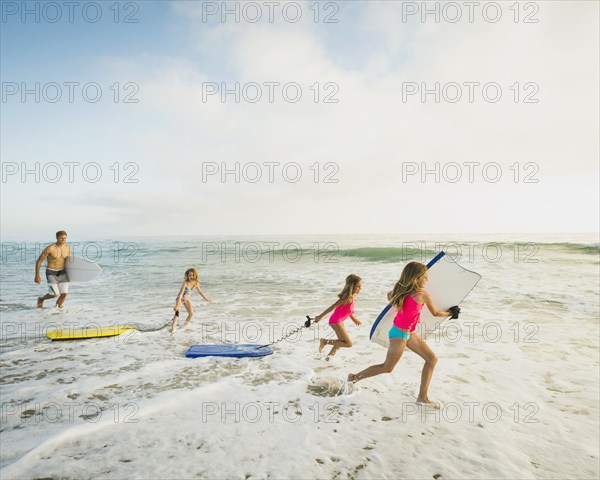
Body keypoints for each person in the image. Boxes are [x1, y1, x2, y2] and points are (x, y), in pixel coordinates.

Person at [347, 262, 460, 405]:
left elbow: (389, 295)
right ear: (416, 277)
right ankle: (354, 377)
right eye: (424, 277)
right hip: (399, 335)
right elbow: (436, 313)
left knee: (432, 359)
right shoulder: (422, 295)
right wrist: (451, 312)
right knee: (387, 368)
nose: (427, 280)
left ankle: (422, 397)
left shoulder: (399, 292)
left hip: (409, 333)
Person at [314, 274, 362, 360]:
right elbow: (333, 306)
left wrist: (354, 319)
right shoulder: (347, 297)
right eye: (358, 286)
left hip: (339, 321)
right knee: (348, 344)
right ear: (352, 286)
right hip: (336, 321)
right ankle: (324, 341)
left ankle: (328, 358)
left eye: (360, 286)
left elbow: (348, 310)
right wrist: (320, 316)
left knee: (341, 342)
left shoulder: (351, 297)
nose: (360, 288)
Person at [35, 230, 71, 309]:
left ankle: (57, 310)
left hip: (62, 272)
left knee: (64, 294)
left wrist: (72, 275)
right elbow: (39, 261)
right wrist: (37, 275)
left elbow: (69, 262)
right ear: (57, 238)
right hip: (51, 272)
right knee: (54, 294)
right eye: (61, 238)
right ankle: (41, 299)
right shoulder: (50, 248)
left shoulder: (68, 248)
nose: (63, 240)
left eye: (65, 238)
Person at [170, 268, 211, 333]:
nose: (191, 277)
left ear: (195, 275)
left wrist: (206, 299)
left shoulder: (196, 283)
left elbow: (200, 292)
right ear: (187, 275)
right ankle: (172, 330)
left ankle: (184, 326)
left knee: (191, 313)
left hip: (186, 299)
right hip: (180, 298)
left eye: (192, 275)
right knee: (177, 313)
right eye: (189, 275)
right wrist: (177, 305)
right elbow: (180, 294)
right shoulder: (185, 282)